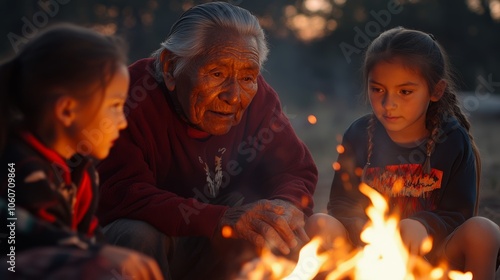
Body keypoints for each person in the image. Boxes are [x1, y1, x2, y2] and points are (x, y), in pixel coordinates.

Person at [96, 2, 317, 280]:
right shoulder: (129, 98)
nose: (234, 96)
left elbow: (295, 170)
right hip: (145, 248)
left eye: (248, 76)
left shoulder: (259, 98)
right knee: (136, 234)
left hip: (212, 246)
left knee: (267, 224)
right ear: (170, 66)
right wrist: (219, 218)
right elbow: (122, 192)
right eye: (217, 74)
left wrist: (285, 205)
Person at [306, 27, 500, 278]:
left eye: (405, 92)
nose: (389, 103)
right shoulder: (358, 135)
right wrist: (369, 232)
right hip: (366, 257)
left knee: (484, 232)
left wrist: (425, 226)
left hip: (433, 259)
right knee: (319, 224)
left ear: (435, 91)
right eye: (378, 89)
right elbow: (341, 204)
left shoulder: (451, 140)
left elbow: (458, 214)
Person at [0, 24, 163, 280]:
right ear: (66, 110)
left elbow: (90, 240)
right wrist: (98, 256)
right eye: (115, 106)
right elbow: (25, 248)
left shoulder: (81, 172)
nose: (123, 121)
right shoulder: (17, 167)